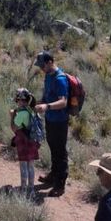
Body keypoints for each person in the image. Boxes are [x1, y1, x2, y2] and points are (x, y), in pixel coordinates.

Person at [34, 51, 69, 196]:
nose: (41, 68)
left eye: (43, 65)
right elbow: (47, 94)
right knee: (53, 147)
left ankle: (60, 185)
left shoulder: (60, 79)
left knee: (60, 151)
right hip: (50, 118)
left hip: (60, 120)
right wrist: (39, 102)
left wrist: (47, 106)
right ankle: (53, 175)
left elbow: (63, 102)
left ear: (50, 62)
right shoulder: (48, 76)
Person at [9, 88, 40, 196]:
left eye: (18, 100)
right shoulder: (31, 110)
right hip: (32, 142)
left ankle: (23, 189)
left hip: (23, 142)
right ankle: (31, 190)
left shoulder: (21, 114)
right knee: (31, 166)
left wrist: (12, 116)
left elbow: (14, 128)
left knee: (23, 166)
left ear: (20, 100)